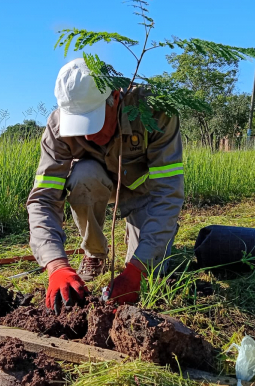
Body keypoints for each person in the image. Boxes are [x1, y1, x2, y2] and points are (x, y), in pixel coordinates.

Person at [27, 58, 184, 314]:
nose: (89, 136)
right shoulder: (57, 127)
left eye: (94, 120)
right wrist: (56, 265)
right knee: (83, 174)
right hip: (96, 185)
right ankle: (95, 253)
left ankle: (141, 241)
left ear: (115, 96)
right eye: (81, 124)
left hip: (143, 193)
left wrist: (138, 268)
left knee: (153, 273)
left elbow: (167, 192)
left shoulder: (155, 112)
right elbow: (43, 199)